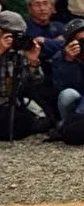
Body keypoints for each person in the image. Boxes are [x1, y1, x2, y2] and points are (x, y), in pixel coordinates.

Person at [0, 11, 49, 140]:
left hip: (14, 105)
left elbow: (37, 83)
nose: (15, 40)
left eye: (19, 36)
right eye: (12, 35)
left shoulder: (20, 51)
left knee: (35, 122)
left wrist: (34, 63)